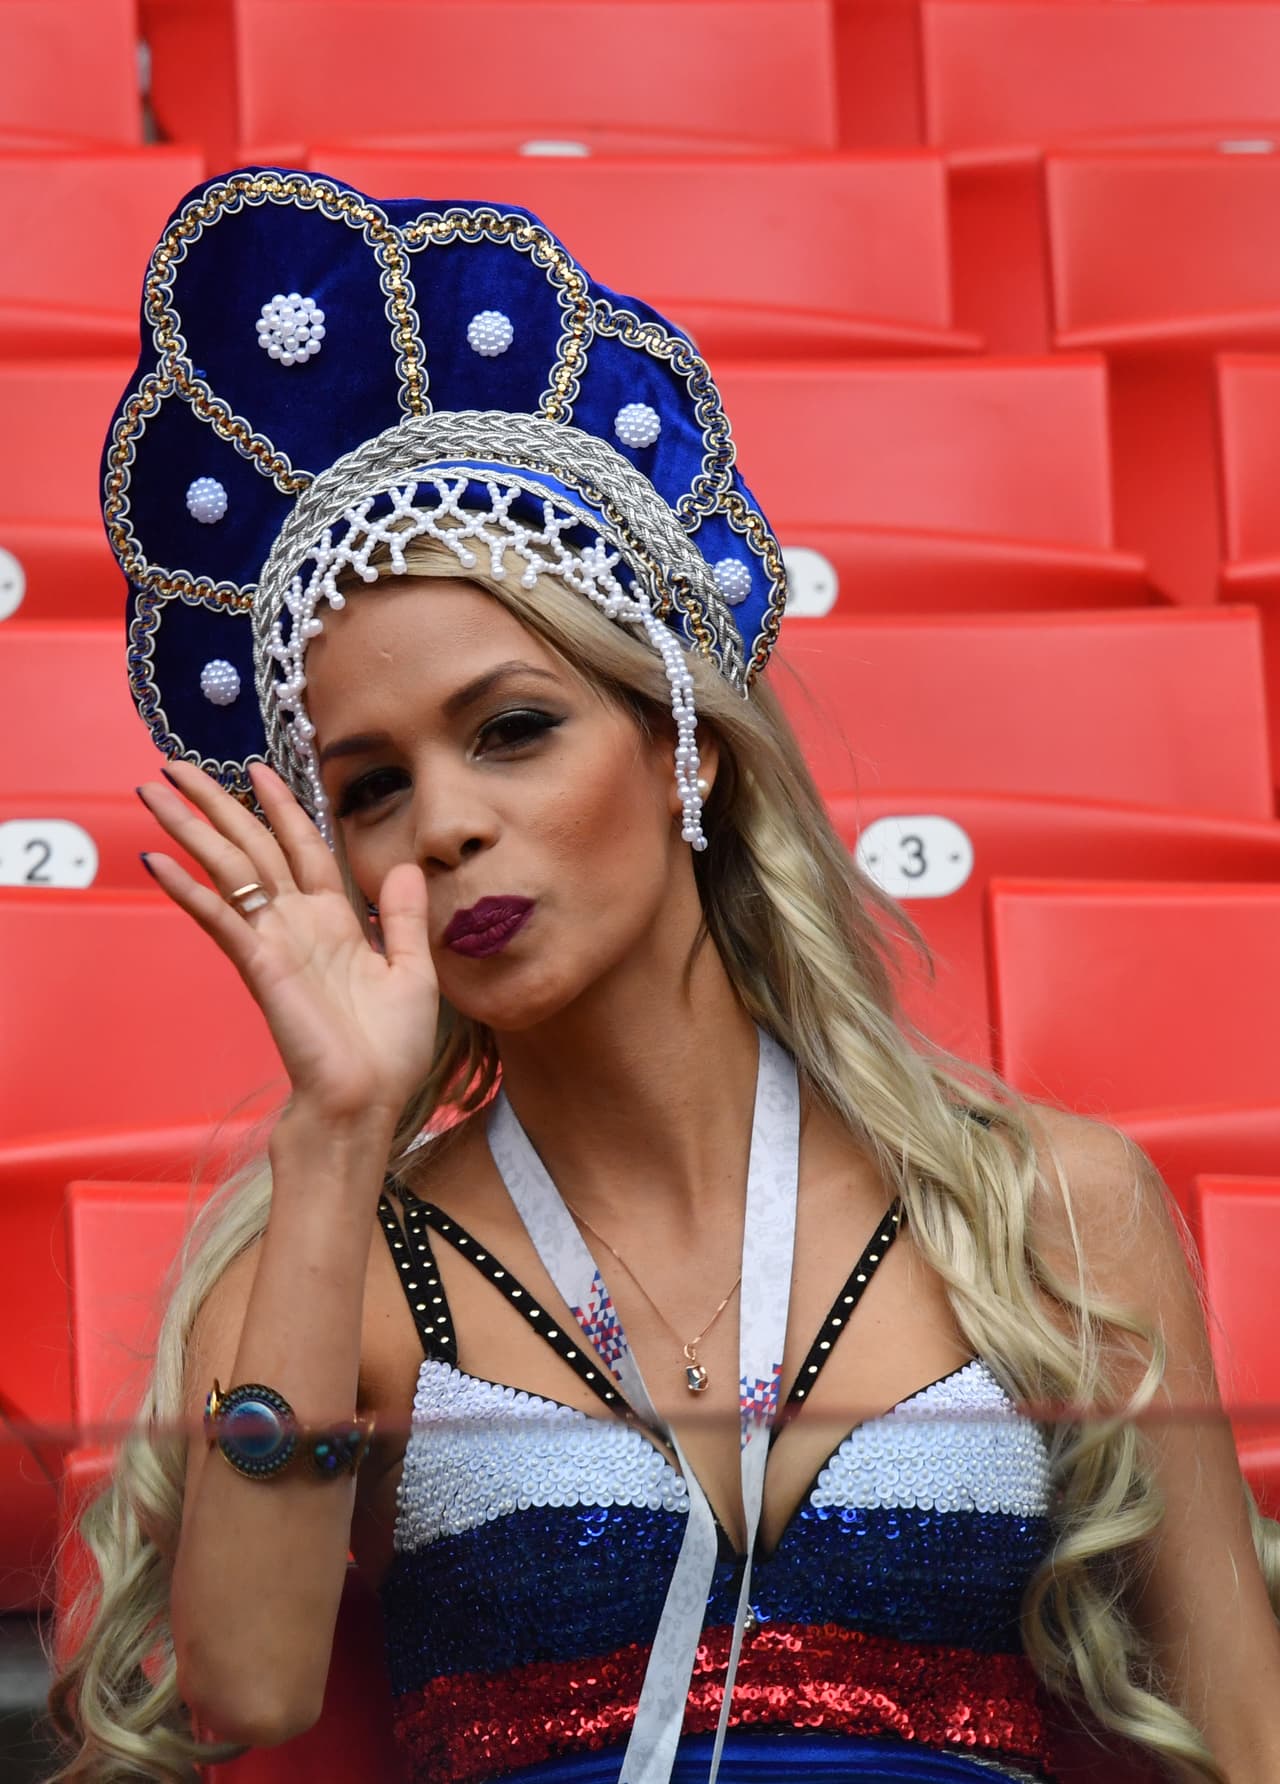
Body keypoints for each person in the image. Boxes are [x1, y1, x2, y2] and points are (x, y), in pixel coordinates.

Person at [47, 168, 1280, 1784]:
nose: (448, 829)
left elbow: (1248, 1744)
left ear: (679, 741)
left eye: (513, 729)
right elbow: (251, 1692)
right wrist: (338, 1126)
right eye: (371, 790)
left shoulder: (1049, 1207)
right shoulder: (332, 1258)